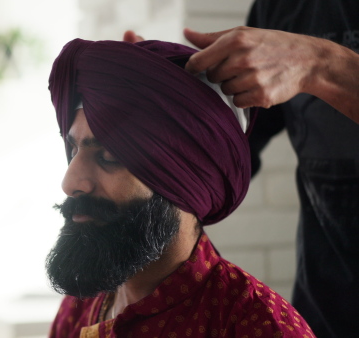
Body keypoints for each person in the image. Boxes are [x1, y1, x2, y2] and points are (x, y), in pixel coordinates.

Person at [46, 38, 315, 337]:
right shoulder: (82, 304)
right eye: (73, 150)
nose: (70, 183)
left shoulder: (256, 326)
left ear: (183, 178)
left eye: (109, 156)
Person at [123, 1, 359, 336]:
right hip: (324, 309)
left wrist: (320, 64)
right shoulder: (281, 8)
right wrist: (171, 114)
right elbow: (233, 152)